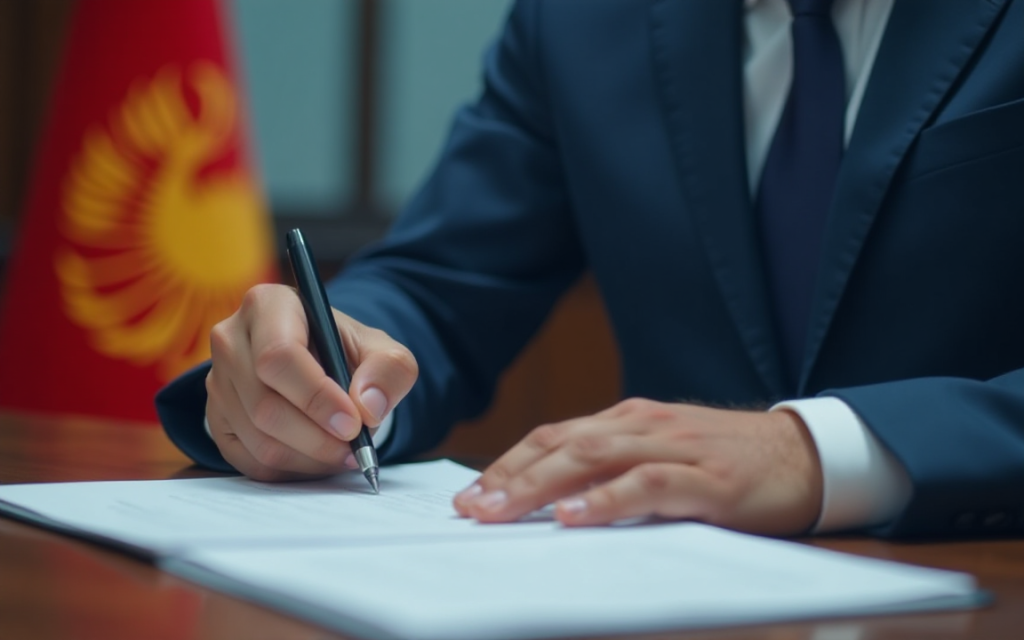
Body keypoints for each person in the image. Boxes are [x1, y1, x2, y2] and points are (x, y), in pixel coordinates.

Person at [157, 0, 1024, 539]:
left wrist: (815, 451)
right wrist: (322, 368)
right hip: (663, 591)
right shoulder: (578, 19)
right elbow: (437, 284)